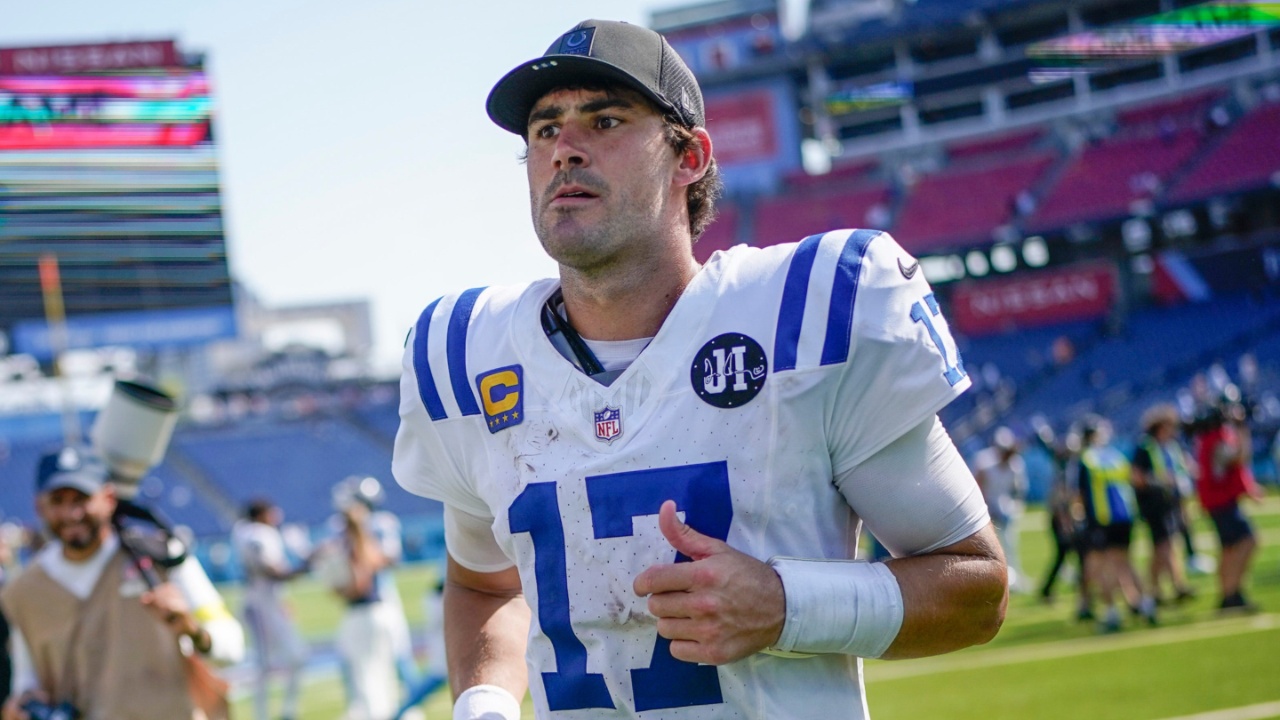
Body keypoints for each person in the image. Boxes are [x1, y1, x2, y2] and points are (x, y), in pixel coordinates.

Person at [393, 19, 1007, 720]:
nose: (564, 148)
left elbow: (976, 588)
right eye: (544, 129)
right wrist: (483, 703)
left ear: (689, 156)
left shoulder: (801, 316)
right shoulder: (469, 354)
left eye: (605, 119)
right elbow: (483, 587)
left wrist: (786, 606)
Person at [0, 447, 244, 720]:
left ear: (108, 497)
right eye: (58, 501)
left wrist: (192, 628)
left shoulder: (159, 555)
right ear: (39, 506)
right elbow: (26, 681)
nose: (71, 514)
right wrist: (21, 706)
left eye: (81, 499)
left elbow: (231, 647)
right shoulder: (22, 592)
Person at [314, 477, 417, 720]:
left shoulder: (374, 526)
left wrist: (341, 583)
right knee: (382, 670)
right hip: (374, 606)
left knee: (375, 672)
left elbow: (366, 575)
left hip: (370, 605)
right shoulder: (348, 531)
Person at [1068, 415, 1154, 633]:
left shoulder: (1085, 459)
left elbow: (1078, 495)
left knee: (1104, 566)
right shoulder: (1115, 456)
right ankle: (1146, 604)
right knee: (1126, 562)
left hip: (1102, 519)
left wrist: (1076, 517)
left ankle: (1111, 612)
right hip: (1125, 517)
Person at [231, 498, 310, 720]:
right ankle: (264, 714)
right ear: (260, 515)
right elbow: (274, 572)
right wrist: (309, 564)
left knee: (291, 658)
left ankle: (284, 711)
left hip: (267, 603)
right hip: (260, 605)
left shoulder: (248, 533)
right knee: (266, 665)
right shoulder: (257, 535)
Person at [1194, 397, 1264, 612]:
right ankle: (1232, 592)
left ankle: (1228, 594)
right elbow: (1238, 458)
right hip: (1223, 502)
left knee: (1229, 549)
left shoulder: (1206, 440)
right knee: (1248, 541)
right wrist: (1243, 429)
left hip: (1216, 501)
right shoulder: (1217, 439)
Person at [1130, 404, 1196, 605]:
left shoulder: (1172, 447)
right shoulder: (1145, 447)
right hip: (1154, 504)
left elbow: (1184, 469)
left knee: (1160, 548)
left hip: (1171, 502)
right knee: (1167, 545)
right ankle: (1179, 584)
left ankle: (1153, 591)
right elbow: (1136, 477)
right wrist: (1160, 480)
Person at [972, 427, 1029, 592]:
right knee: (987, 548)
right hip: (986, 508)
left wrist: (1013, 506)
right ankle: (992, 581)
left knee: (1010, 544)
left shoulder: (1015, 464)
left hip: (1005, 507)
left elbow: (1018, 489)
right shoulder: (984, 462)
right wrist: (985, 510)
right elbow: (979, 489)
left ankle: (1013, 578)